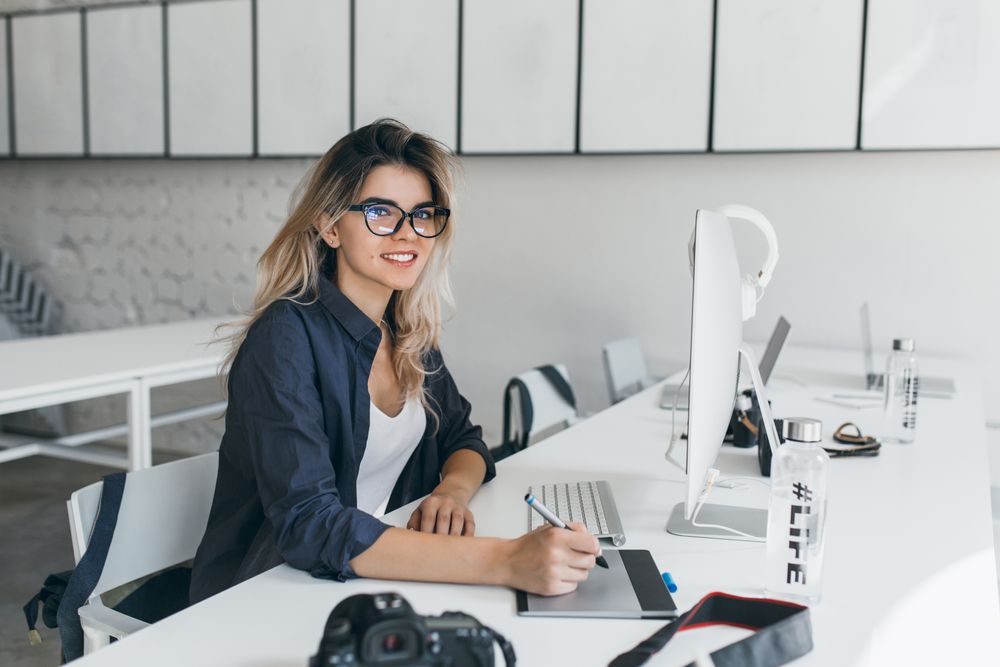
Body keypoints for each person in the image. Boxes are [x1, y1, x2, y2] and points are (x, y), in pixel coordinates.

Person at [190, 119, 601, 604]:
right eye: (381, 213)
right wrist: (506, 561)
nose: (408, 234)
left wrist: (450, 492)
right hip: (266, 594)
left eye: (422, 215)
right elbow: (310, 525)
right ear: (328, 225)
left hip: (363, 576)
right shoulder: (285, 338)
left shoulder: (406, 329)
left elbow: (463, 439)